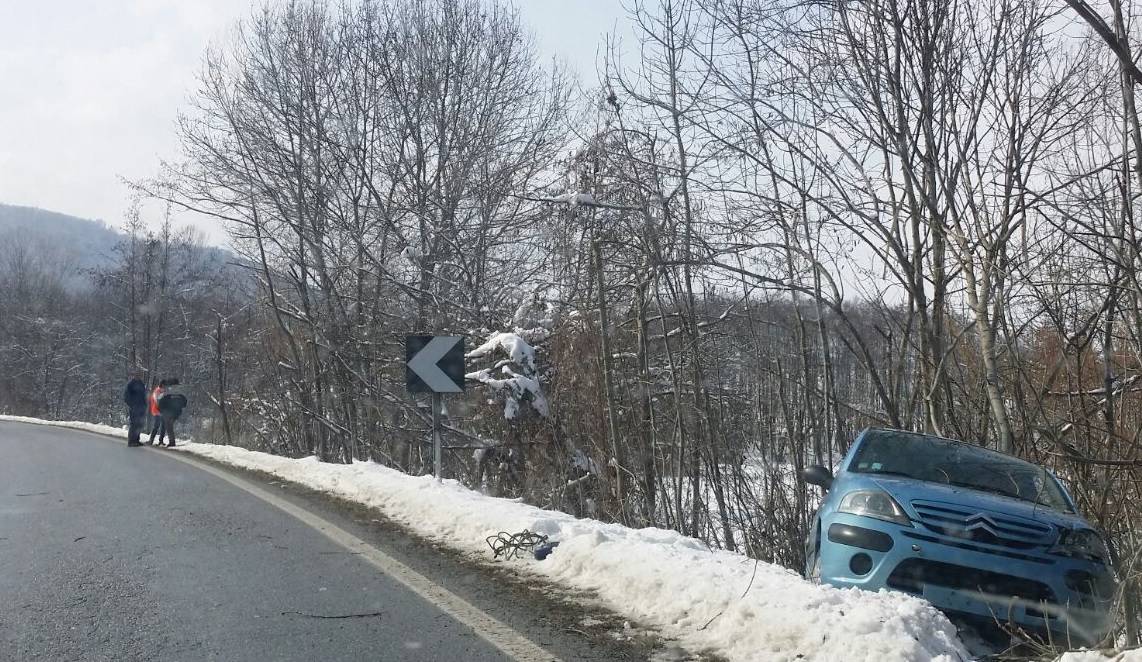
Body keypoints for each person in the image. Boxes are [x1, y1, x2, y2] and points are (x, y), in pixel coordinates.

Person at [156, 379, 187, 448]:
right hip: (177, 412)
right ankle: (170, 441)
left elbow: (162, 402)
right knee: (170, 426)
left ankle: (172, 442)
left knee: (169, 426)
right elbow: (184, 402)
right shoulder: (180, 392)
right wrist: (180, 406)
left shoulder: (168, 391)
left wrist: (161, 410)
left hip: (168, 412)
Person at [123, 371, 148, 448]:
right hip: (134, 407)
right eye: (137, 375)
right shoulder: (131, 384)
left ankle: (136, 440)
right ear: (134, 376)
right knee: (134, 424)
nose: (139, 376)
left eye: (140, 375)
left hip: (142, 407)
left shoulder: (141, 384)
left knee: (140, 424)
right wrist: (131, 405)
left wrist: (145, 404)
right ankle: (131, 441)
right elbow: (126, 396)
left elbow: (144, 395)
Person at [146, 379, 166, 445]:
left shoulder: (162, 392)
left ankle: (161, 441)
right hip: (157, 411)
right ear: (161, 385)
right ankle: (151, 440)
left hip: (161, 412)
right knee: (157, 426)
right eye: (164, 386)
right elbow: (157, 402)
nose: (165, 388)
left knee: (163, 426)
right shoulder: (157, 392)